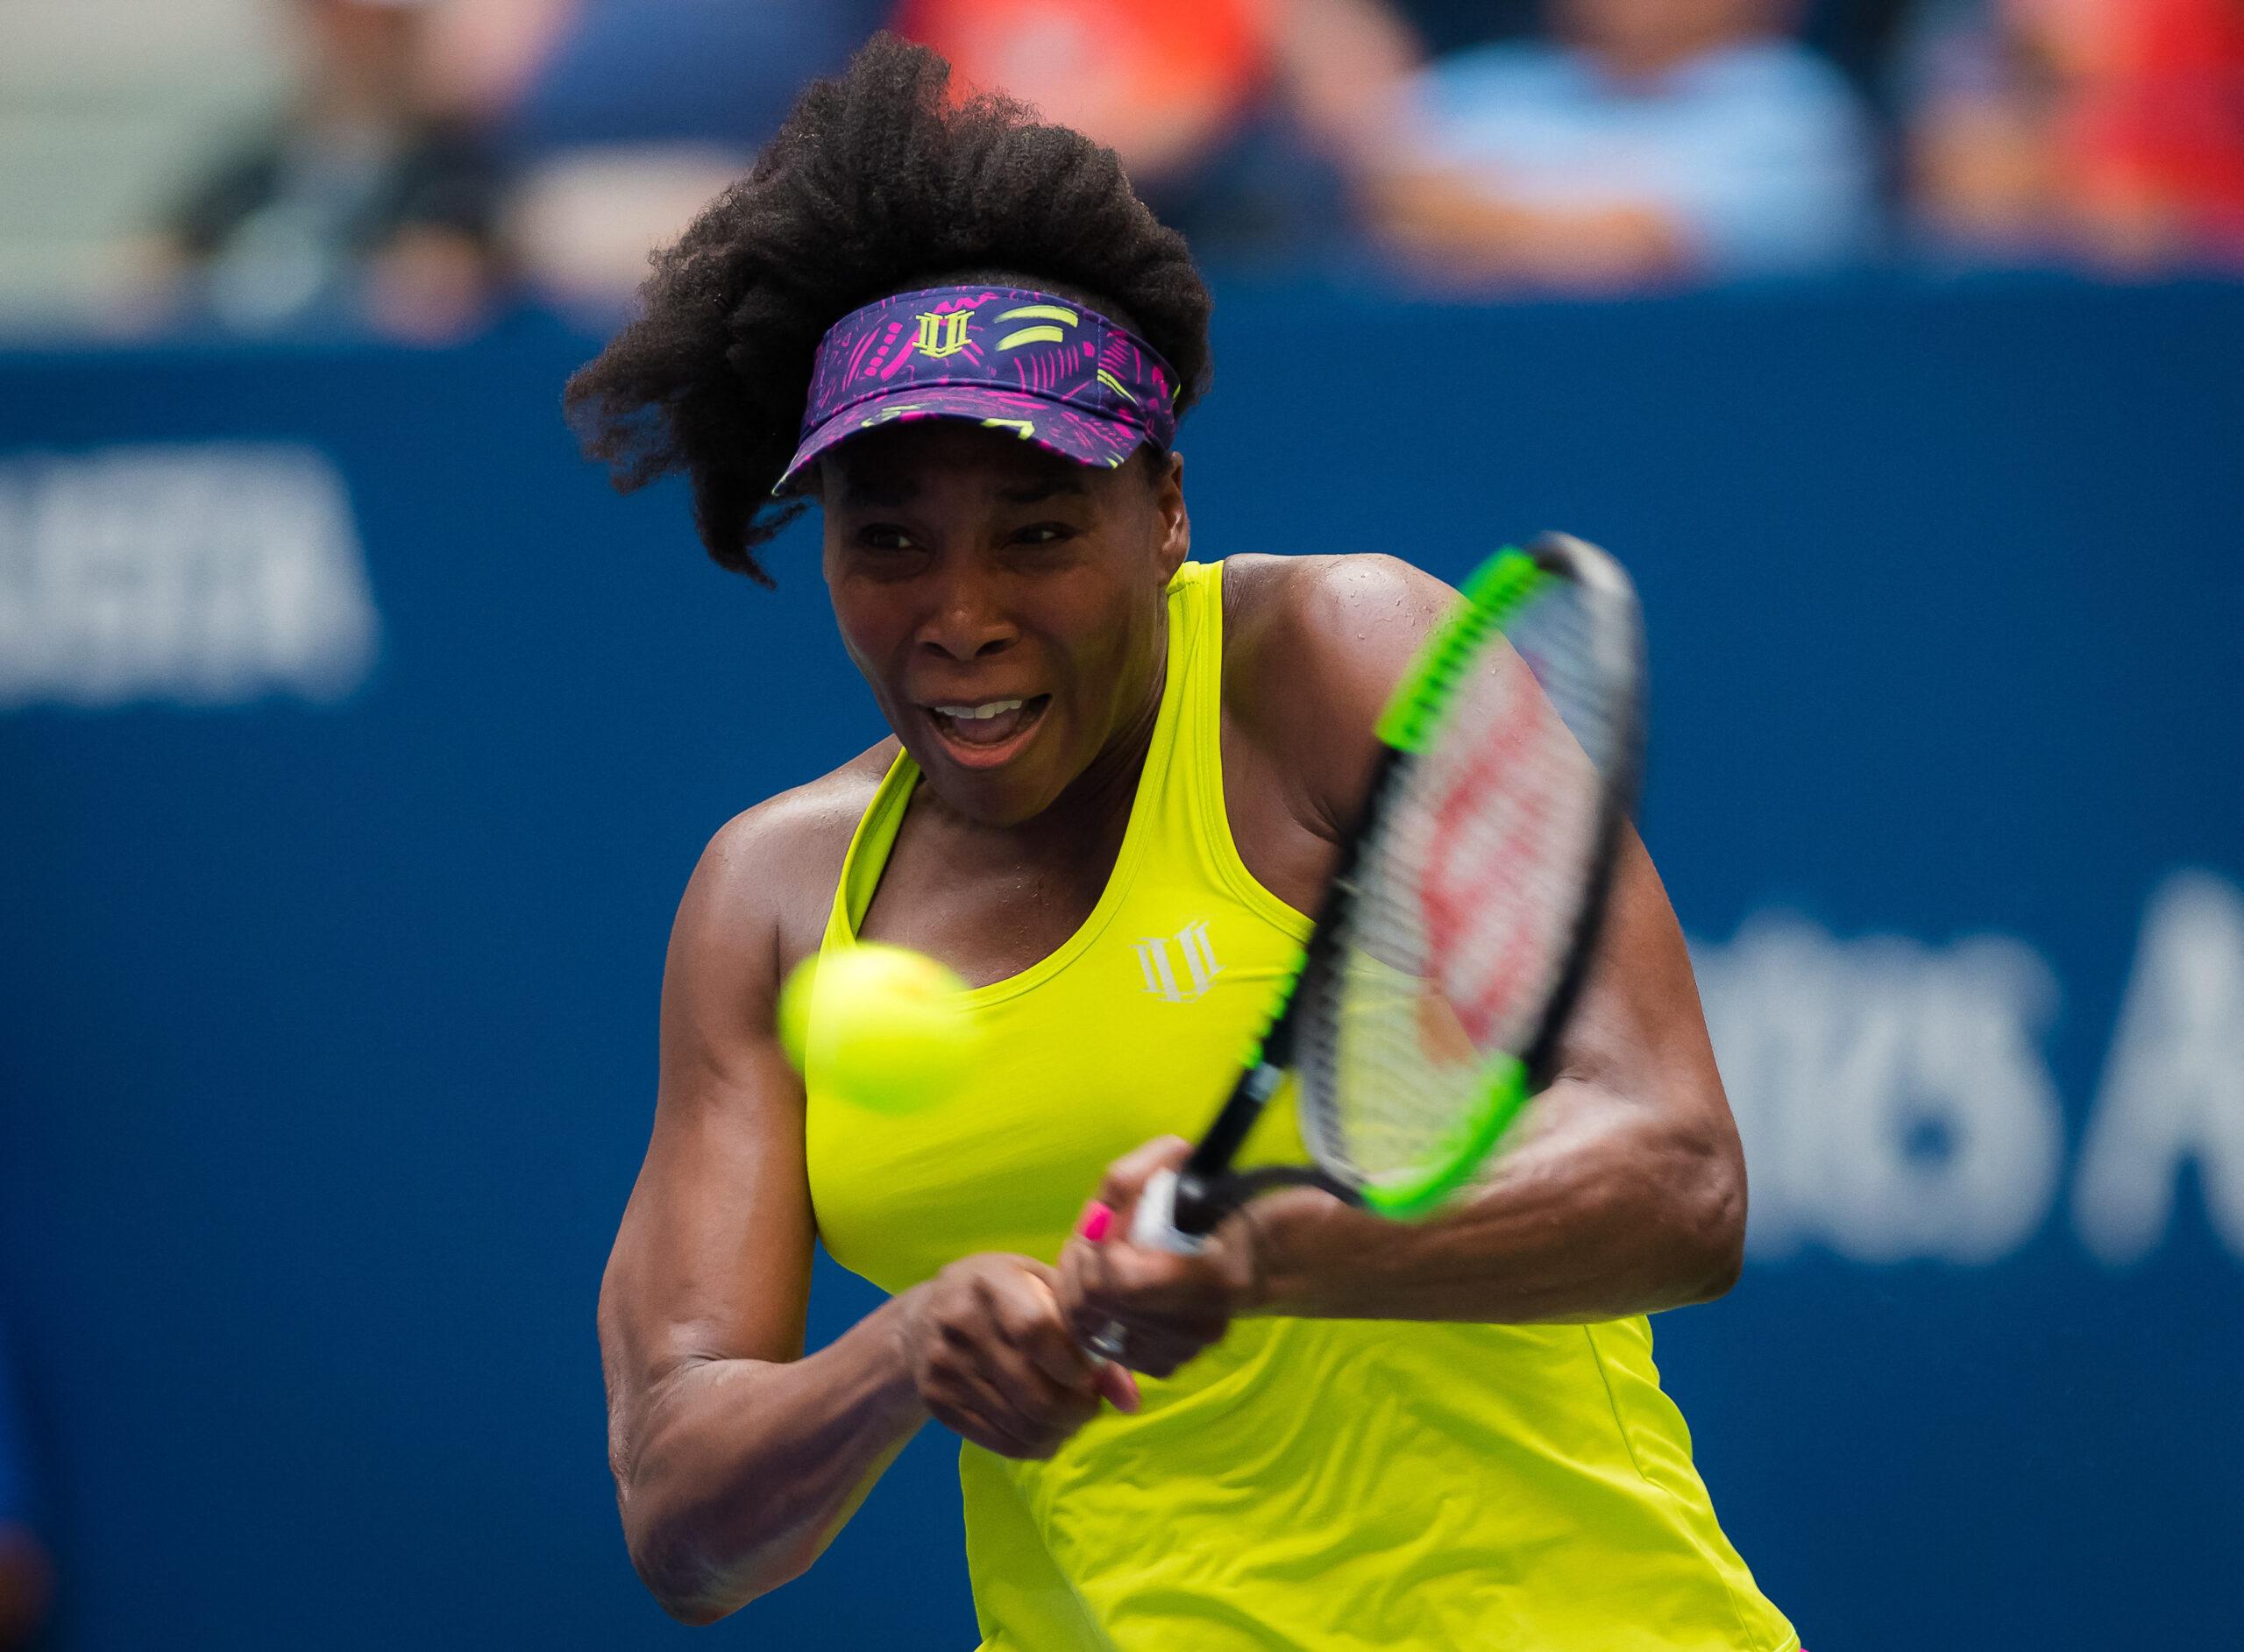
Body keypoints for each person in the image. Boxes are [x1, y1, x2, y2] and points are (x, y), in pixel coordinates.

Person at [572, 33, 1798, 1648]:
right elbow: (682, 1519)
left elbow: (1681, 1179)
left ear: (1163, 511)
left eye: (1038, 533)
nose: (961, 613)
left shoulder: (1338, 662)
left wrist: (1272, 1251)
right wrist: (902, 1355)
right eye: (890, 541)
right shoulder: (772, 896)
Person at [1363, 0, 1878, 291]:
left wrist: (1480, 223)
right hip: (1487, 382)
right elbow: (1398, 201)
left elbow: (1646, 244)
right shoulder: (1482, 87)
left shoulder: (1793, 101)